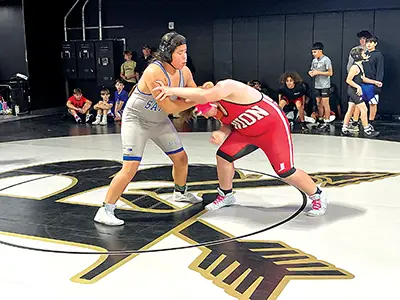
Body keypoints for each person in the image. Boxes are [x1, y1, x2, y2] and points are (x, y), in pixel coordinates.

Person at [153, 79, 328, 217]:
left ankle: (317, 194)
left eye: (201, 112)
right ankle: (226, 194)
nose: (205, 117)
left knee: (285, 171)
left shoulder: (226, 88)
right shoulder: (217, 107)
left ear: (209, 103)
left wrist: (170, 91)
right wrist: (222, 133)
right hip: (247, 132)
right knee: (223, 156)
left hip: (272, 129)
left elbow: (204, 95)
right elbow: (231, 123)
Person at [94, 32, 202, 226]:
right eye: (180, 53)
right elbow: (169, 107)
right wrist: (201, 97)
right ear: (168, 53)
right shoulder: (154, 71)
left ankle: (180, 192)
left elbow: (193, 93)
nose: (185, 57)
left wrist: (204, 93)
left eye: (186, 52)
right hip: (137, 120)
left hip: (159, 122)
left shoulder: (184, 72)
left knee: (181, 158)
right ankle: (105, 209)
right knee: (131, 167)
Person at [342, 48, 381, 137]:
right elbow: (348, 80)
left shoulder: (360, 65)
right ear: (358, 56)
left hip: (355, 90)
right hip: (354, 91)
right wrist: (358, 86)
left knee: (350, 109)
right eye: (363, 53)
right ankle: (367, 130)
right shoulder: (354, 67)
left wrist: (375, 82)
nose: (365, 54)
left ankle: (344, 128)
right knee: (364, 109)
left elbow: (363, 78)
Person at [308, 42, 333, 130]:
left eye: (315, 52)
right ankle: (321, 119)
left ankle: (327, 120)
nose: (313, 54)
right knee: (319, 103)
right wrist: (311, 73)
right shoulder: (314, 60)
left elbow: (330, 73)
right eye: (312, 52)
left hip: (325, 85)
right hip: (317, 85)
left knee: (325, 103)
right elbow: (312, 70)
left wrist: (318, 72)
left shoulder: (326, 60)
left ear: (320, 51)